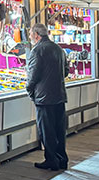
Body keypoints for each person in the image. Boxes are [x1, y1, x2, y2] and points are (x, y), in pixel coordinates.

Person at [26, 23, 68, 171]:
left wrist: (29, 90)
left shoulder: (37, 50)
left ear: (37, 34)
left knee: (47, 130)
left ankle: (51, 160)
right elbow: (66, 71)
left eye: (31, 33)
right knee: (59, 130)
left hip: (44, 97)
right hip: (59, 95)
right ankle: (62, 159)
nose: (30, 36)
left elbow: (33, 75)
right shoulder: (58, 48)